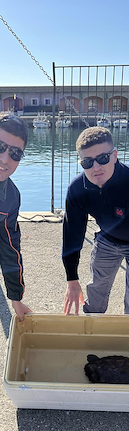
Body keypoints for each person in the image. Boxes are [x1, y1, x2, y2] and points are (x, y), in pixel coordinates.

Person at [62, 127, 129, 324]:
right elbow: (72, 235)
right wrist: (72, 278)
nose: (95, 167)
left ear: (115, 156)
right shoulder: (77, 189)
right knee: (97, 287)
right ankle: (92, 325)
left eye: (102, 158)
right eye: (87, 162)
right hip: (107, 239)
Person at [0, 113, 32, 321]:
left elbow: (10, 248)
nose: (5, 159)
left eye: (15, 153)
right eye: (0, 147)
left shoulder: (11, 196)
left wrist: (16, 298)